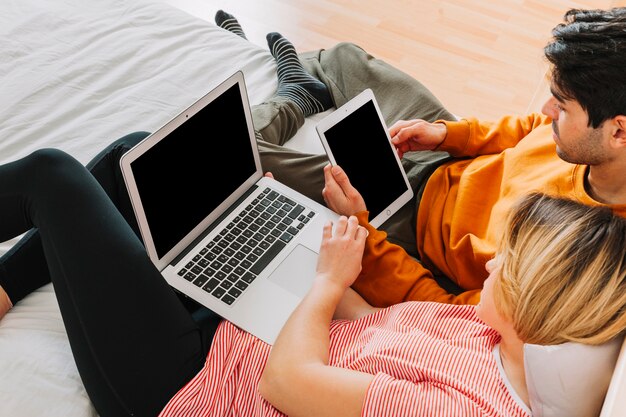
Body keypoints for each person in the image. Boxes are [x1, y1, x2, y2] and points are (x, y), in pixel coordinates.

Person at [1, 146, 626, 417]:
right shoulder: (484, 332)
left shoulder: (457, 409)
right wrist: (313, 244)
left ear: (534, 304)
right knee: (138, 159)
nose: (489, 264)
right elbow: (370, 327)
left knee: (52, 177)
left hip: (183, 386)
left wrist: (326, 281)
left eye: (506, 265)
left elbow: (287, 382)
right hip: (246, 326)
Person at [214, 8, 626, 307]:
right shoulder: (581, 142)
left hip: (409, 226)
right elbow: (527, 129)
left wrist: (362, 231)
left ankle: (293, 95)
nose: (547, 112)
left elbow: (442, 311)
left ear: (618, 131)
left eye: (563, 106)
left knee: (237, 148)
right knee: (343, 59)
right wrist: (449, 134)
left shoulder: (578, 254)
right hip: (444, 163)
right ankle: (294, 84)